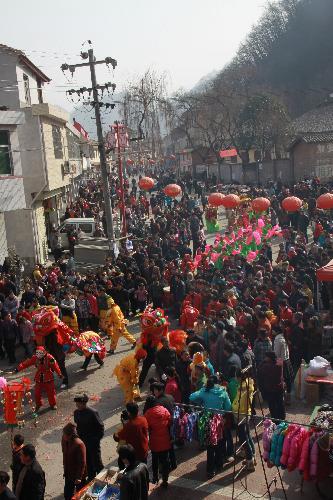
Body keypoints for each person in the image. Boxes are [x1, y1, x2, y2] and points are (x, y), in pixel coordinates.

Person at [189, 376, 232, 478]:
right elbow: (228, 407)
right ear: (217, 383)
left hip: (208, 421)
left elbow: (191, 397)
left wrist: (203, 393)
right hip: (220, 421)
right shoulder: (223, 392)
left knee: (210, 446)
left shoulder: (204, 392)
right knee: (220, 443)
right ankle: (219, 464)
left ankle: (210, 470)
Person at [16, 346, 62, 411]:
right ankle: (38, 404)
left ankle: (53, 404)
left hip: (48, 377)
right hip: (39, 377)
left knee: (51, 392)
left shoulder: (50, 358)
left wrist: (59, 373)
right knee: (37, 393)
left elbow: (55, 366)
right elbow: (26, 363)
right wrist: (18, 369)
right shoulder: (35, 358)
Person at [73, 393, 104, 480]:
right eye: (76, 404)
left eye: (78, 404)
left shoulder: (93, 413)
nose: (77, 406)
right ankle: (91, 478)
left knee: (97, 462)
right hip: (83, 442)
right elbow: (77, 425)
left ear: (84, 403)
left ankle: (102, 478)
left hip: (93, 442)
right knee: (88, 462)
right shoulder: (76, 413)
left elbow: (101, 427)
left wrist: (96, 440)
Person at [144, 395, 171, 488]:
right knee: (165, 461)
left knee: (155, 461)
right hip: (165, 440)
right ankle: (165, 480)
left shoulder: (148, 413)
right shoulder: (164, 410)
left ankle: (155, 478)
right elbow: (169, 419)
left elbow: (146, 427)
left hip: (155, 442)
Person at [232, 369, 256, 471]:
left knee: (243, 439)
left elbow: (239, 403)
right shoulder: (247, 384)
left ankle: (250, 460)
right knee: (247, 435)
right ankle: (252, 455)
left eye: (236, 377)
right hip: (246, 413)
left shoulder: (243, 388)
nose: (235, 378)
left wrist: (232, 408)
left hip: (241, 414)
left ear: (239, 377)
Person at [257, 351, 285, 421]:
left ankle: (275, 420)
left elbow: (259, 372)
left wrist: (263, 362)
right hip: (279, 388)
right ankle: (282, 418)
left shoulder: (266, 366)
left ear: (269, 358)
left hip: (270, 389)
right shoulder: (279, 364)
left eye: (266, 357)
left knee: (272, 405)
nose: (265, 358)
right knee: (280, 404)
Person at [61, 422, 87, 500]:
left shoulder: (79, 444)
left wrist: (79, 477)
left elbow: (82, 462)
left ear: (71, 435)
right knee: (67, 493)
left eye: (65, 434)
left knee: (80, 493)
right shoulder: (64, 439)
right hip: (68, 472)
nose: (63, 436)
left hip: (78, 474)